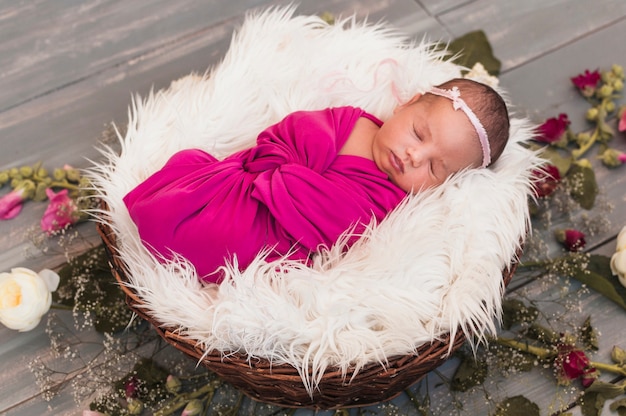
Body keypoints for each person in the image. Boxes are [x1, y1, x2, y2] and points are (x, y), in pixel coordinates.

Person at [123, 78, 510, 283]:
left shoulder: (392, 200)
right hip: (247, 183)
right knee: (187, 180)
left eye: (435, 168)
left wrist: (290, 180)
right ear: (405, 104)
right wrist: (279, 168)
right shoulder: (349, 119)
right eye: (419, 134)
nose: (414, 156)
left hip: (267, 232)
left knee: (214, 237)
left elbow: (343, 224)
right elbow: (288, 132)